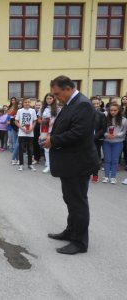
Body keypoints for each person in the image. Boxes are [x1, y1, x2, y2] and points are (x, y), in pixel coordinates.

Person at [43, 75, 98, 255]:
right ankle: (71, 231)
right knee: (70, 199)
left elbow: (79, 133)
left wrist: (54, 140)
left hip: (78, 163)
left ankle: (80, 242)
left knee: (78, 202)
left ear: (68, 88)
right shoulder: (70, 104)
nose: (56, 97)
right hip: (70, 163)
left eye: (57, 93)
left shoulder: (83, 104)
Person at [102, 103, 127, 184]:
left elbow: (124, 131)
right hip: (107, 142)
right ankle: (106, 176)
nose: (113, 112)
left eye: (115, 110)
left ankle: (113, 177)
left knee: (115, 160)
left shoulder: (124, 120)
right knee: (107, 159)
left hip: (118, 142)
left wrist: (116, 135)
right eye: (111, 110)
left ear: (119, 110)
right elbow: (103, 130)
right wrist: (106, 135)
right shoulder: (105, 118)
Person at [38, 94, 59, 174]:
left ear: (53, 99)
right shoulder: (42, 108)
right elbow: (39, 120)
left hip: (54, 130)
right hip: (44, 130)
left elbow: (60, 120)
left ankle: (54, 165)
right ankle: (48, 165)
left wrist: (53, 122)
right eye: (47, 98)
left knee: (53, 147)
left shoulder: (57, 109)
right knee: (46, 147)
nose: (49, 100)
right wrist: (43, 121)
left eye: (50, 98)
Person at [15, 98, 37, 171]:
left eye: (28, 102)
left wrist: (31, 128)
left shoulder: (33, 110)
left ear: (30, 103)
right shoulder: (19, 111)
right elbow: (16, 121)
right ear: (23, 103)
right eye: (25, 102)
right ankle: (21, 164)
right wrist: (22, 128)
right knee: (21, 149)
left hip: (30, 133)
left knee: (30, 149)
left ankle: (30, 164)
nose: (27, 103)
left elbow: (34, 121)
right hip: (22, 133)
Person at [90, 97, 107, 183]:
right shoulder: (86, 114)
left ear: (100, 104)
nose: (96, 105)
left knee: (96, 157)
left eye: (97, 103)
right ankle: (87, 172)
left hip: (97, 139)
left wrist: (94, 137)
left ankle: (95, 174)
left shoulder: (102, 114)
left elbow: (103, 129)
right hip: (87, 139)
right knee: (86, 156)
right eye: (94, 103)